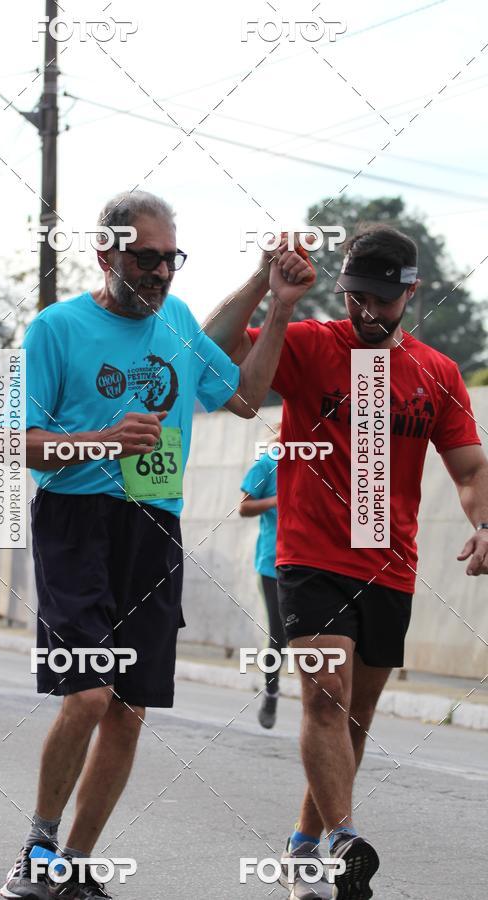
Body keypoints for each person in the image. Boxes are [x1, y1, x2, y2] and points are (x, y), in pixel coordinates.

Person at [0, 190, 316, 900]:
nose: (161, 273)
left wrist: (281, 305)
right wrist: (101, 440)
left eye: (170, 258)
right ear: (105, 252)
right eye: (146, 258)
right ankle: (39, 843)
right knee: (87, 694)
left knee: (128, 706)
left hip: (154, 525)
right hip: (77, 522)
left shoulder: (173, 318)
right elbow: (15, 443)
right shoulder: (54, 329)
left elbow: (241, 394)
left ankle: (74, 865)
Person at [204, 224, 488, 900]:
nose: (366, 312)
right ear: (343, 289)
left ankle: (305, 842)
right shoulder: (308, 344)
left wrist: (483, 520)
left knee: (353, 720)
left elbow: (471, 466)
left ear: (410, 295)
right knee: (325, 697)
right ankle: (344, 839)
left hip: (390, 561)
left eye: (381, 301)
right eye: (356, 296)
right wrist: (266, 289)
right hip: (309, 553)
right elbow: (213, 356)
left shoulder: (438, 374)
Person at [239, 426, 285, 729]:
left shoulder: (319, 463)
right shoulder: (268, 463)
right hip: (273, 563)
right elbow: (244, 506)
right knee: (279, 634)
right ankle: (271, 691)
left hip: (313, 563)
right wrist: (276, 501)